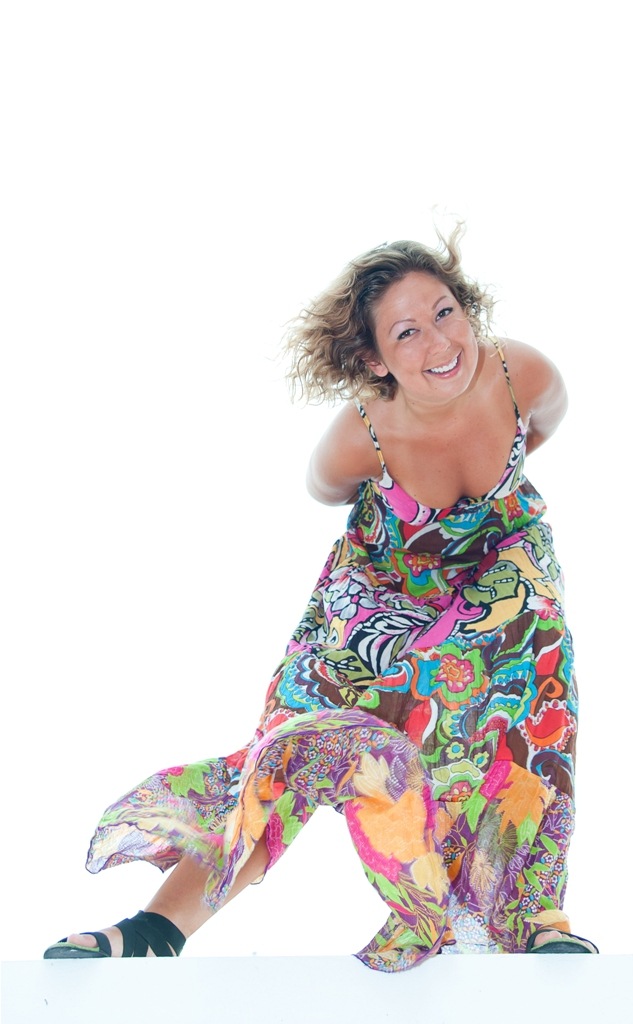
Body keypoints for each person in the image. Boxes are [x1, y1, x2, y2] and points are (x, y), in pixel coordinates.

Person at [44, 227, 597, 971]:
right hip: (383, 584)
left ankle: (528, 913)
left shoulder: (521, 371)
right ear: (375, 359)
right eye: (407, 332)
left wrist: (483, 521)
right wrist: (403, 552)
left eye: (445, 313)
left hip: (500, 564)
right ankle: (156, 929)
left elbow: (541, 428)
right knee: (297, 738)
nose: (440, 342)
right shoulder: (362, 433)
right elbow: (325, 490)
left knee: (533, 689)